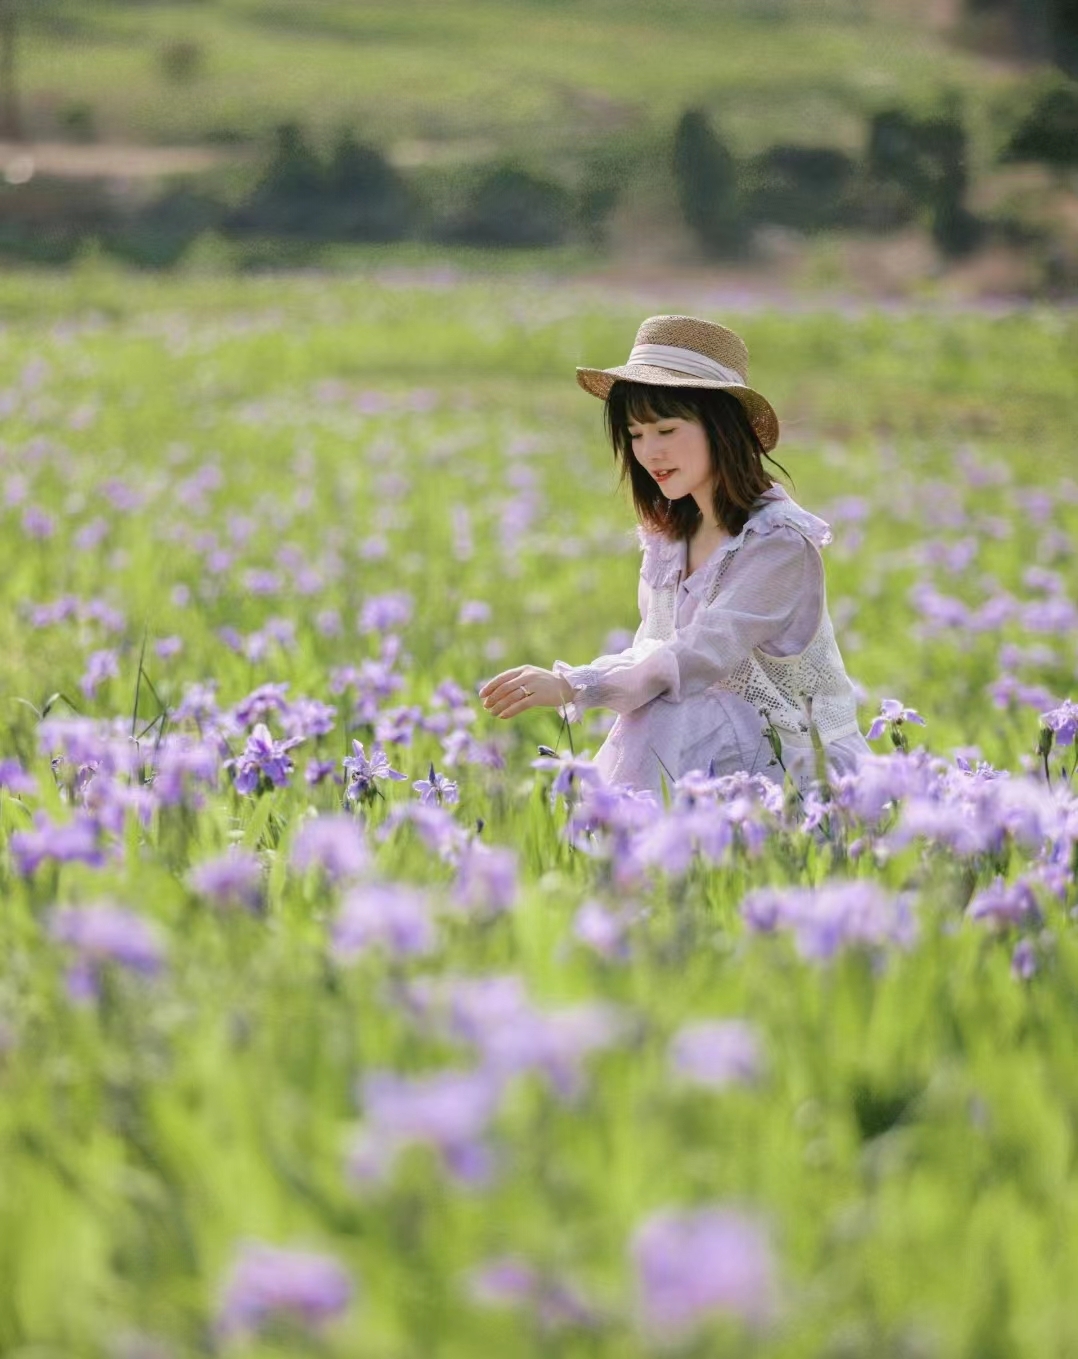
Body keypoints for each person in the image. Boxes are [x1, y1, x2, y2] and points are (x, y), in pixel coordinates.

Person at [479, 314, 870, 797]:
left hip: (793, 767)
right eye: (636, 434)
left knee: (669, 706)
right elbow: (654, 649)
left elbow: (699, 657)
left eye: (665, 429)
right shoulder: (669, 538)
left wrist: (577, 686)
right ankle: (622, 845)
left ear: (721, 428)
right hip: (708, 748)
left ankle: (620, 841)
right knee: (666, 706)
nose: (649, 453)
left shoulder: (779, 543)